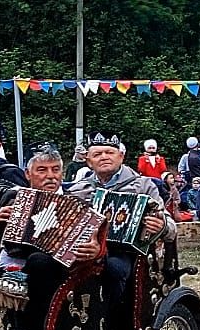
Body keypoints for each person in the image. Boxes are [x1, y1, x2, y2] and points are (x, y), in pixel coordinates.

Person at [0, 146, 102, 330]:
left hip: (60, 267)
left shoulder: (78, 200)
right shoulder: (14, 196)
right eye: (42, 170)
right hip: (14, 258)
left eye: (56, 169)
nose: (50, 176)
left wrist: (94, 247)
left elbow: (96, 240)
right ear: (28, 174)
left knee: (39, 261)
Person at [65, 134, 175, 314]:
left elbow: (171, 226)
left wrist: (161, 225)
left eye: (109, 152)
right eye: (97, 154)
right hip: (84, 249)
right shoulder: (79, 189)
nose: (104, 157)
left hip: (124, 252)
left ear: (121, 156)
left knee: (115, 268)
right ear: (88, 161)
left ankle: (110, 317)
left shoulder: (143, 186)